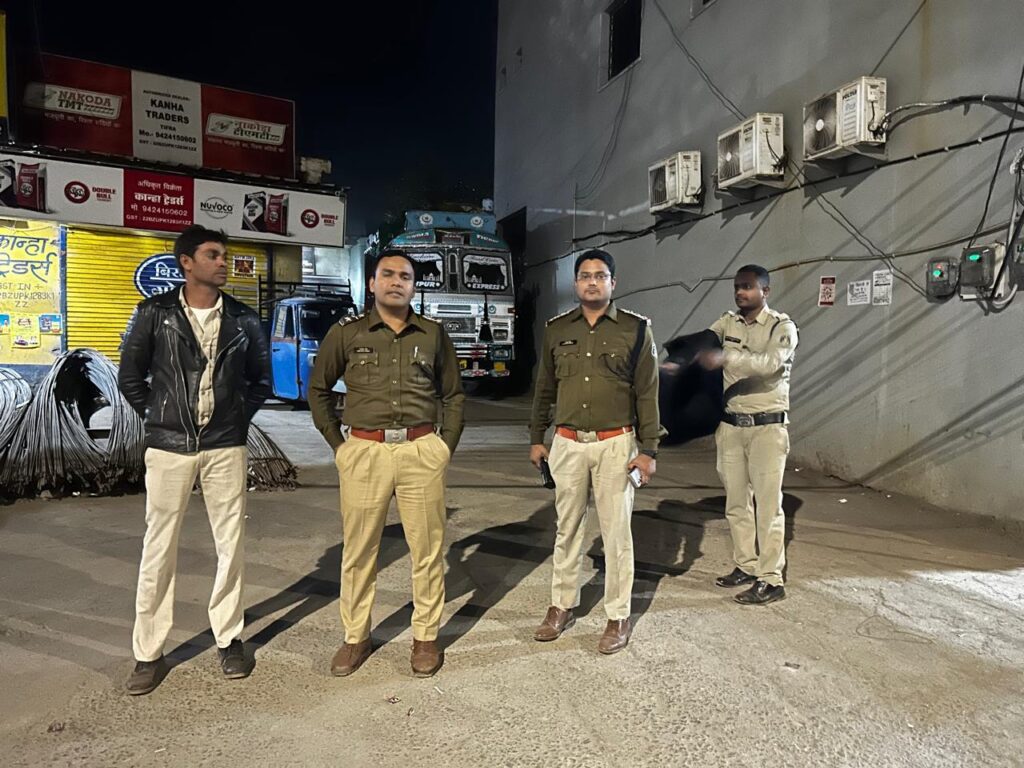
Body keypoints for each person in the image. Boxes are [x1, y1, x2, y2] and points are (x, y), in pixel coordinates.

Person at [118, 225, 271, 695]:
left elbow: (261, 382)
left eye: (223, 255)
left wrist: (234, 421)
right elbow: (130, 377)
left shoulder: (244, 319)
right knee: (158, 547)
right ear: (186, 262)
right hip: (168, 447)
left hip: (225, 446)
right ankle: (148, 652)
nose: (223, 263)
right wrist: (159, 417)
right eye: (213, 255)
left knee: (231, 544)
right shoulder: (154, 313)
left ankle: (229, 639)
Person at [309, 248, 464, 678]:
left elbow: (453, 394)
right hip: (364, 452)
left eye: (406, 276)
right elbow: (318, 389)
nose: (397, 282)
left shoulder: (433, 334)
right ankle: (355, 637)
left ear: (414, 286)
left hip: (420, 451)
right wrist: (339, 445)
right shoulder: (347, 333)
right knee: (359, 551)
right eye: (389, 274)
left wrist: (444, 447)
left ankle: (425, 637)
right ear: (372, 284)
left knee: (427, 550)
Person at [528, 248, 662, 654]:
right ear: (575, 283)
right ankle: (561, 605)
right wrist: (537, 437)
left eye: (600, 276)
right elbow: (545, 387)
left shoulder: (636, 330)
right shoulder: (556, 330)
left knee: (616, 533)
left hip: (616, 444)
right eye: (585, 276)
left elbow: (647, 392)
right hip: (567, 443)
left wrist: (649, 449)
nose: (592, 282)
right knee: (567, 527)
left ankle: (618, 615)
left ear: (612, 283)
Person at [698, 264, 798, 605]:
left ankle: (771, 579)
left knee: (768, 507)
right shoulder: (727, 323)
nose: (741, 292)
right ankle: (746, 564)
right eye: (737, 287)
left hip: (767, 428)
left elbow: (769, 365)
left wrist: (725, 357)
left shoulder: (782, 327)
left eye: (748, 287)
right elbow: (703, 344)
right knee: (737, 503)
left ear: (765, 291)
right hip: (730, 427)